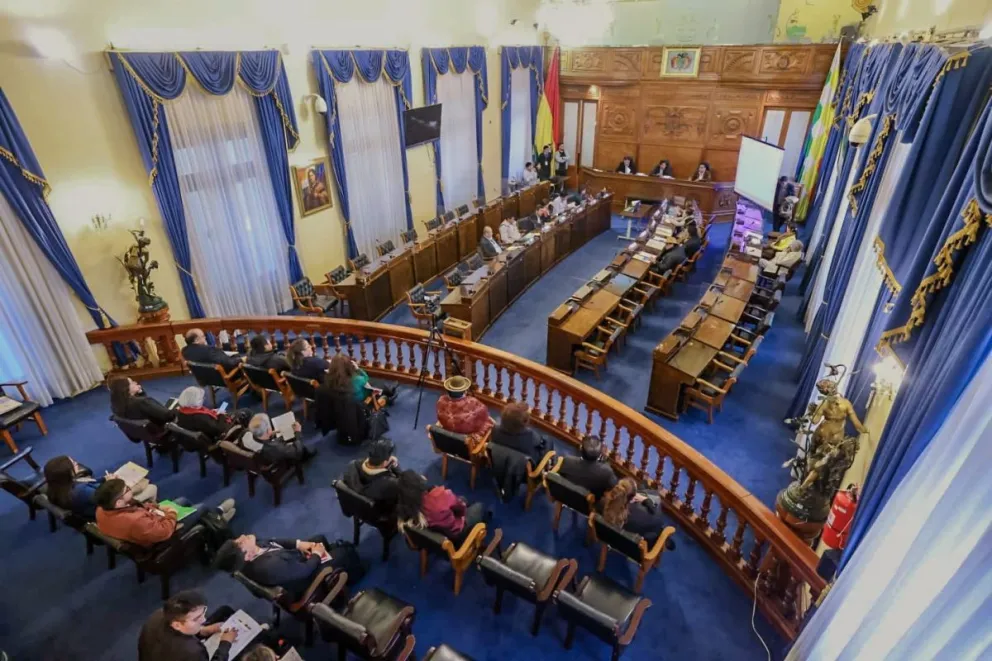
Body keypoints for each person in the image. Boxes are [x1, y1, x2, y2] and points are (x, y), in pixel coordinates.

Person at [95, 478, 235, 548]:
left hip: (150, 522)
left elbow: (136, 508)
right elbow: (165, 531)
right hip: (165, 536)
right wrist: (171, 513)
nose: (130, 488)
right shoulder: (135, 521)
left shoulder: (102, 509)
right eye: (127, 490)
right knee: (201, 507)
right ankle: (217, 515)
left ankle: (210, 520)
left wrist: (152, 507)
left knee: (183, 500)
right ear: (119, 503)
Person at [214, 533, 334, 600]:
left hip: (291, 563)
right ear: (245, 556)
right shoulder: (269, 567)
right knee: (345, 553)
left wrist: (299, 544)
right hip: (305, 579)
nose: (242, 536)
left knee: (320, 539)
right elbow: (305, 571)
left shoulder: (253, 548)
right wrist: (317, 554)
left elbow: (273, 542)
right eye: (240, 543)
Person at [44, 455, 157, 519]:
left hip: (90, 509)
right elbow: (110, 499)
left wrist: (104, 479)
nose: (76, 463)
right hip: (108, 512)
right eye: (73, 463)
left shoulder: (58, 487)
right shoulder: (83, 492)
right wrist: (114, 483)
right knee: (151, 488)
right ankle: (150, 512)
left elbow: (89, 483)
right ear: (68, 472)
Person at [137, 590, 238, 661]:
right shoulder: (192, 652)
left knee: (225, 610)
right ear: (177, 625)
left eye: (204, 611)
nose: (204, 619)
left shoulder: (159, 614)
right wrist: (225, 643)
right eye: (196, 618)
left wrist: (203, 630)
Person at [396, 470, 489, 545]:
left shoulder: (405, 510)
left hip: (436, 537)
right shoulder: (440, 495)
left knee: (462, 499)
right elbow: (461, 511)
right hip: (457, 533)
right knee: (479, 506)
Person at [600, 477, 673, 547]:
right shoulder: (644, 515)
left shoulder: (602, 503)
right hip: (633, 547)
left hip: (609, 538)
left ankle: (644, 487)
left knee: (644, 486)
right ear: (632, 498)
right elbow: (658, 519)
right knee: (653, 497)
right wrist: (647, 500)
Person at [341, 439, 401, 512]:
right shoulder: (390, 483)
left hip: (357, 507)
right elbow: (404, 484)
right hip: (378, 513)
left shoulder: (353, 465)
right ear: (385, 462)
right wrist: (395, 466)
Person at [175, 386, 246, 442]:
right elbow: (220, 429)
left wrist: (211, 412)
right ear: (195, 402)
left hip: (203, 429)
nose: (204, 399)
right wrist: (220, 414)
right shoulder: (200, 418)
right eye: (201, 398)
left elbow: (205, 419)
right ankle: (245, 435)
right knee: (245, 412)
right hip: (216, 434)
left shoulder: (182, 410)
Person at [326, 352, 392, 410]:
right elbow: (366, 378)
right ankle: (390, 394)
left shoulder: (329, 379)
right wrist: (358, 368)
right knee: (379, 384)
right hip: (360, 401)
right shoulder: (357, 379)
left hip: (341, 404)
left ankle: (390, 393)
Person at [245, 413, 314, 465]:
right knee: (299, 445)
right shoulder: (277, 447)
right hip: (278, 459)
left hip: (265, 454)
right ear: (267, 430)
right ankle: (305, 458)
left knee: (287, 435)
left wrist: (271, 433)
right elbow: (297, 452)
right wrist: (298, 433)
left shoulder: (250, 434)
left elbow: (266, 440)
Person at [109, 377, 176, 427]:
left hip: (145, 432)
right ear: (126, 388)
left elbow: (146, 408)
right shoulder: (142, 402)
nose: (135, 382)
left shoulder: (116, 405)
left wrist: (141, 393)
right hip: (161, 429)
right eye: (132, 382)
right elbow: (169, 416)